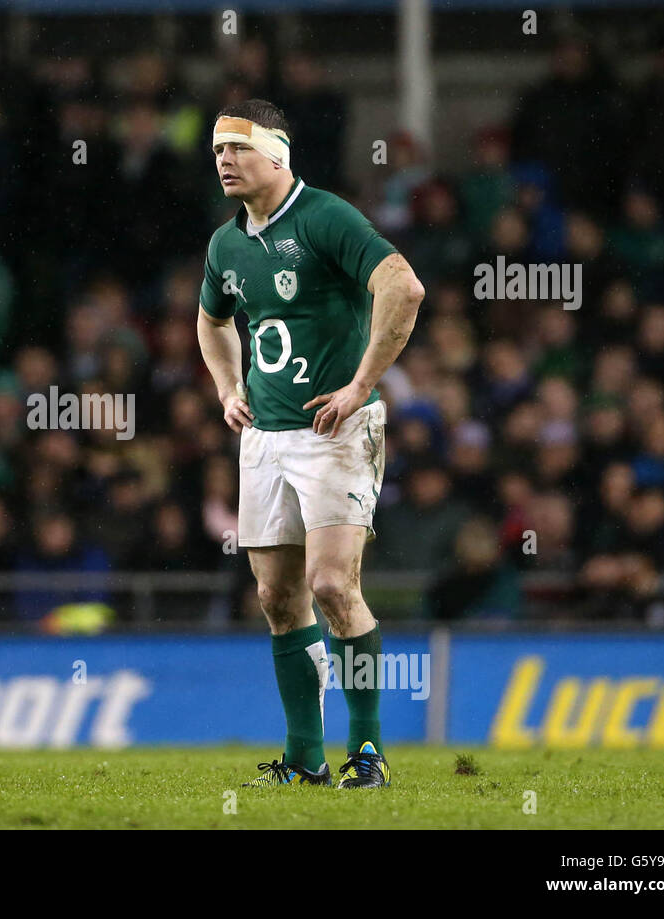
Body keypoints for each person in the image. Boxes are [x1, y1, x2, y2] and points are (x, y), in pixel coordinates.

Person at [196, 99, 424, 788]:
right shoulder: (225, 244)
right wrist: (226, 387)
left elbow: (403, 286)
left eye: (237, 147)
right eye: (217, 151)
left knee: (331, 583)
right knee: (276, 597)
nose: (225, 161)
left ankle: (369, 751)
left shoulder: (325, 216)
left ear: (278, 154)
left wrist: (361, 385)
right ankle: (304, 758)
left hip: (336, 431)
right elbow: (211, 322)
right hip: (264, 436)